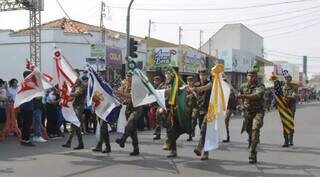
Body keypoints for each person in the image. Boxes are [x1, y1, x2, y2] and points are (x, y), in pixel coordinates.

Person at [239, 68, 265, 164]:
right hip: (248, 112)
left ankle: (253, 153)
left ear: (256, 77)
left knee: (255, 129)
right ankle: (251, 140)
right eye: (249, 76)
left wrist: (243, 96)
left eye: (253, 76)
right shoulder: (243, 86)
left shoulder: (260, 86)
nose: (251, 78)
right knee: (249, 131)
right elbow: (240, 96)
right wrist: (242, 106)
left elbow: (256, 96)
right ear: (247, 76)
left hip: (258, 112)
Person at [115, 72, 143, 156]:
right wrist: (119, 96)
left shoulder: (137, 86)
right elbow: (120, 94)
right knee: (132, 131)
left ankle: (122, 140)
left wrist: (121, 94)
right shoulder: (125, 86)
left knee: (128, 124)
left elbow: (132, 95)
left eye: (130, 76)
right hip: (128, 109)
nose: (128, 78)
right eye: (127, 76)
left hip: (137, 109)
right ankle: (136, 149)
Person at [62, 76, 88, 150]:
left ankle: (68, 142)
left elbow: (77, 94)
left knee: (74, 124)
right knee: (77, 127)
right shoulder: (78, 87)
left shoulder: (80, 87)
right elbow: (72, 97)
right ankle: (81, 144)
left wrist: (68, 93)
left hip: (79, 108)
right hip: (76, 107)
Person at [193, 69, 213, 160]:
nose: (203, 76)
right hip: (200, 110)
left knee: (204, 129)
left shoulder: (210, 84)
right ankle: (206, 152)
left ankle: (200, 148)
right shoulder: (196, 84)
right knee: (204, 132)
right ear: (199, 75)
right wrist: (190, 92)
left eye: (204, 75)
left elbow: (205, 88)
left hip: (209, 111)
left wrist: (195, 89)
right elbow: (194, 95)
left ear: (207, 75)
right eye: (201, 74)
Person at [20, 71, 35, 146]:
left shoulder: (24, 83)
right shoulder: (27, 83)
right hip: (27, 106)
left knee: (25, 124)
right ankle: (26, 140)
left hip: (26, 106)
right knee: (27, 124)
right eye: (30, 75)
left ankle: (24, 139)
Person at [282, 74, 298, 147]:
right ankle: (286, 141)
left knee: (290, 123)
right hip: (284, 108)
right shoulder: (282, 88)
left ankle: (290, 139)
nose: (286, 79)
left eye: (288, 78)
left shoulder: (294, 88)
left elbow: (294, 96)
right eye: (285, 78)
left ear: (290, 79)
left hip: (291, 108)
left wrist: (286, 97)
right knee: (285, 124)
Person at [186, 76, 198, 142]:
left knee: (194, 119)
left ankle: (192, 130)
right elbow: (183, 97)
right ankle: (190, 135)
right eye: (188, 81)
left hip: (195, 107)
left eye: (191, 81)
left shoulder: (196, 88)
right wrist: (188, 96)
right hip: (188, 107)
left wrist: (194, 93)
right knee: (189, 121)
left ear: (193, 81)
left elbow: (198, 96)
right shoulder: (185, 88)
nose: (190, 82)